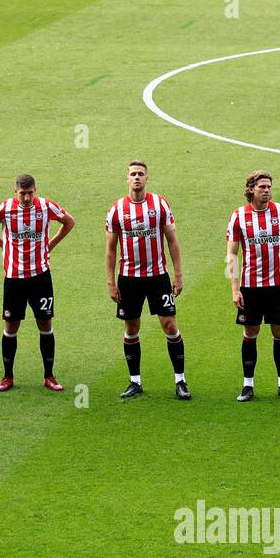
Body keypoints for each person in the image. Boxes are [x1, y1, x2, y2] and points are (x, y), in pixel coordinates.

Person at [0, 173, 75, 392]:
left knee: (45, 324)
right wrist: (4, 244)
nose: (26, 198)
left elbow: (69, 221)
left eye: (30, 193)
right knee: (11, 326)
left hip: (40, 277)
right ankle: (7, 377)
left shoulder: (45, 206)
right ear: (15, 192)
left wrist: (50, 244)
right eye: (22, 194)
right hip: (14, 278)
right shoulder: (6, 208)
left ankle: (49, 376)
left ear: (36, 191)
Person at [106, 160, 189, 400]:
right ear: (127, 178)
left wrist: (179, 274)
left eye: (141, 174)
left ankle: (180, 381)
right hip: (129, 279)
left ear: (147, 178)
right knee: (131, 327)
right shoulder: (116, 210)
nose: (137, 178)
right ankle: (135, 381)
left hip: (157, 277)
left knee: (170, 325)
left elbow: (172, 239)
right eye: (133, 174)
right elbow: (111, 249)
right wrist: (111, 282)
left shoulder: (160, 204)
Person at [226, 171, 280, 402]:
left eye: (269, 187)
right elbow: (232, 255)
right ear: (251, 189)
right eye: (262, 187)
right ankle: (248, 385)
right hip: (251, 286)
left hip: (277, 285)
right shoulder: (238, 216)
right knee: (251, 332)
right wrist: (235, 289)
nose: (267, 191)